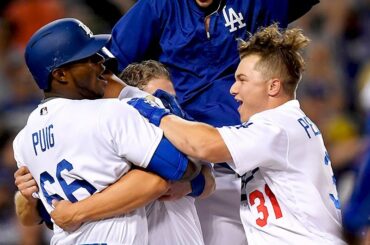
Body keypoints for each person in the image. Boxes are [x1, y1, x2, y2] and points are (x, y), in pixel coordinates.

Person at [108, 1, 320, 244]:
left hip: (255, 158)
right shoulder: (158, 7)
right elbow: (108, 69)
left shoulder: (250, 4)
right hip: (197, 167)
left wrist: (153, 112)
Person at [13, 18, 198, 245]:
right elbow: (182, 168)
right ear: (60, 75)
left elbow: (47, 216)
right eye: (88, 59)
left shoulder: (22, 141)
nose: (101, 62)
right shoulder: (109, 112)